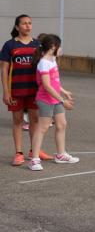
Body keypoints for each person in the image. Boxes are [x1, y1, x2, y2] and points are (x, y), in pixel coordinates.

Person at [0, 15, 53, 166]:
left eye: (30, 23)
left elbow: (45, 66)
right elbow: (4, 70)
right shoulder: (9, 45)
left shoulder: (38, 44)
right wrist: (6, 91)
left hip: (34, 90)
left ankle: (34, 151)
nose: (28, 26)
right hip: (16, 90)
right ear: (17, 27)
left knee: (35, 120)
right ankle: (18, 153)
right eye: (24, 23)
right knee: (17, 121)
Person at [28, 34, 78, 171]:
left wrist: (64, 91)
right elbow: (46, 85)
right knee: (42, 128)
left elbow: (54, 82)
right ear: (53, 47)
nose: (61, 49)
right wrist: (63, 100)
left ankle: (61, 155)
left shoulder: (53, 59)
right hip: (45, 100)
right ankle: (34, 159)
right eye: (59, 46)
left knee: (62, 125)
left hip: (55, 99)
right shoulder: (44, 62)